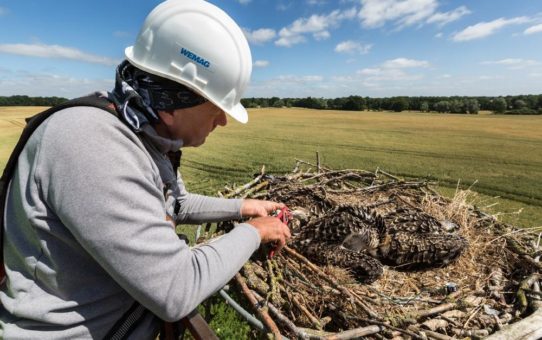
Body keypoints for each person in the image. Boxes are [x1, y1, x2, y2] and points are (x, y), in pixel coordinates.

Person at [0, 0, 291, 339]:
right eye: (217, 107)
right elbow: (175, 289)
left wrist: (243, 208)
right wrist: (254, 231)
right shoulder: (92, 144)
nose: (223, 121)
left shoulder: (142, 135)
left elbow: (173, 204)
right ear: (177, 100)